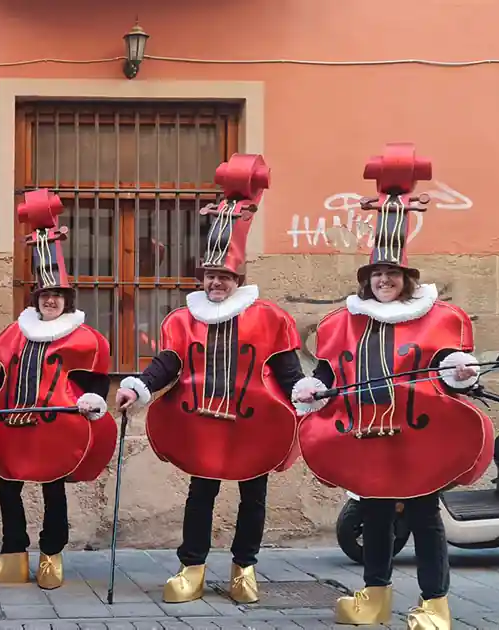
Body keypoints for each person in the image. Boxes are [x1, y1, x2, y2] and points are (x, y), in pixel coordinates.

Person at [292, 143, 490, 629]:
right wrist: (312, 387)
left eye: (392, 274)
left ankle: (436, 604)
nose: (385, 281)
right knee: (375, 518)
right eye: (377, 273)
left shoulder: (435, 318)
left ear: (406, 277)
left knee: (424, 519)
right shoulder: (344, 322)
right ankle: (374, 596)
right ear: (368, 279)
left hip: (416, 435)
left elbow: (446, 361)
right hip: (362, 432)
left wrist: (461, 370)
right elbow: (329, 371)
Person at [116, 154, 304, 605]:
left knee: (253, 497)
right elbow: (167, 364)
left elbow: (288, 370)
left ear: (238, 277)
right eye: (209, 276)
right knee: (200, 493)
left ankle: (245, 568)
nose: (215, 283)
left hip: (254, 420)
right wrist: (136, 386)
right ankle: (192, 567)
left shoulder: (270, 316)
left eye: (223, 276)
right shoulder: (184, 318)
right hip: (201, 417)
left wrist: (307, 394)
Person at [0, 188, 115, 590]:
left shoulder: (85, 338)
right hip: (13, 418)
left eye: (58, 296)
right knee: (6, 485)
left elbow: (96, 381)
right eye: (46, 295)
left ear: (67, 300)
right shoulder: (17, 332)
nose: (51, 301)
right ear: (38, 298)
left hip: (54, 423)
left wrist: (93, 401)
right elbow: (5, 375)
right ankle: (13, 556)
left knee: (53, 487)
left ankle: (52, 556)